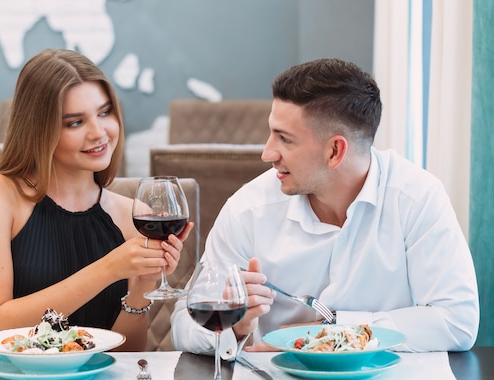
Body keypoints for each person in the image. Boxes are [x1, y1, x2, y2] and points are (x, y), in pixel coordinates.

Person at [171, 58, 479, 357]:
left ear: (335, 151)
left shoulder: (416, 198)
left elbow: (457, 320)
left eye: (284, 139)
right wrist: (236, 327)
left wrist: (332, 330)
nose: (267, 153)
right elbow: (182, 325)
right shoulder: (248, 209)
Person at [0, 48, 193, 354]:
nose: (99, 133)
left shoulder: (132, 215)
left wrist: (143, 286)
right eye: (75, 122)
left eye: (105, 112)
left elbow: (126, 358)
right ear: (40, 130)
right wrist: (109, 269)